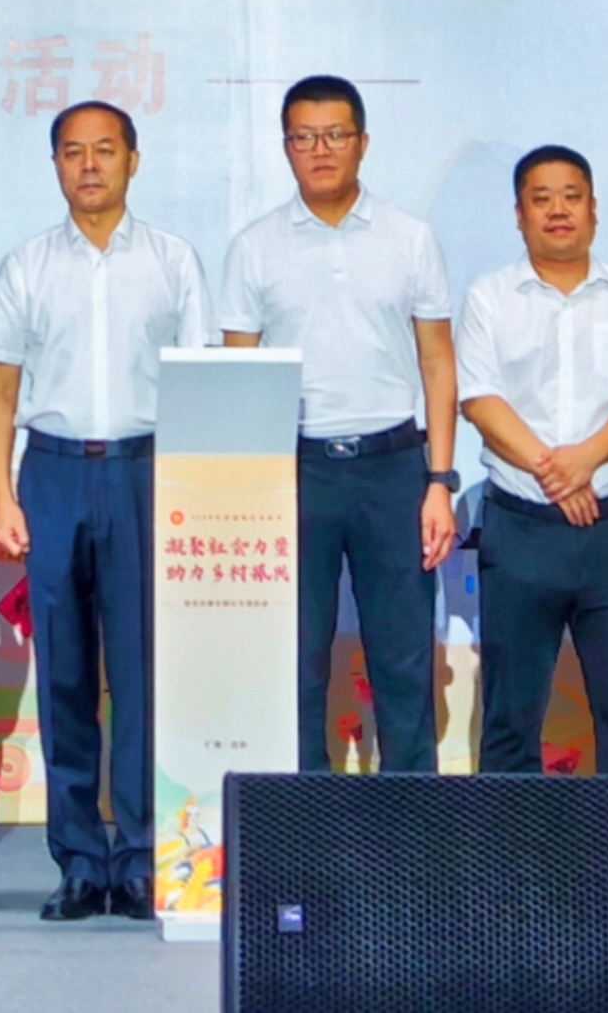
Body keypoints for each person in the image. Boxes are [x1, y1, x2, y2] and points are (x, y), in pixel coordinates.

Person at [0, 101, 211, 921]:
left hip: (147, 472)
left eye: (104, 150)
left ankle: (143, 860)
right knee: (66, 677)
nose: (88, 165)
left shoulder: (174, 261)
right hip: (53, 474)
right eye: (72, 152)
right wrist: (3, 494)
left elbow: (199, 385)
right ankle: (79, 861)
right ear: (55, 165)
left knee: (145, 678)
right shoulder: (27, 264)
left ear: (132, 161)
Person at [218, 76, 459, 775]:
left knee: (404, 658)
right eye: (304, 137)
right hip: (296, 471)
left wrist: (439, 480)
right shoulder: (255, 246)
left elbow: (438, 362)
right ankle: (301, 818)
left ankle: (412, 818)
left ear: (363, 143)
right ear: (285, 147)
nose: (320, 150)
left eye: (334, 135)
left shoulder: (409, 237)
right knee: (295, 657)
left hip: (394, 466)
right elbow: (240, 376)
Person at [456, 146, 608, 779]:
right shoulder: (489, 298)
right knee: (511, 715)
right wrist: (557, 472)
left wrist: (588, 460)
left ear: (594, 209)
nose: (558, 210)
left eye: (571, 196)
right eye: (541, 199)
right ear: (519, 214)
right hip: (521, 528)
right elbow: (480, 400)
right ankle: (508, 843)